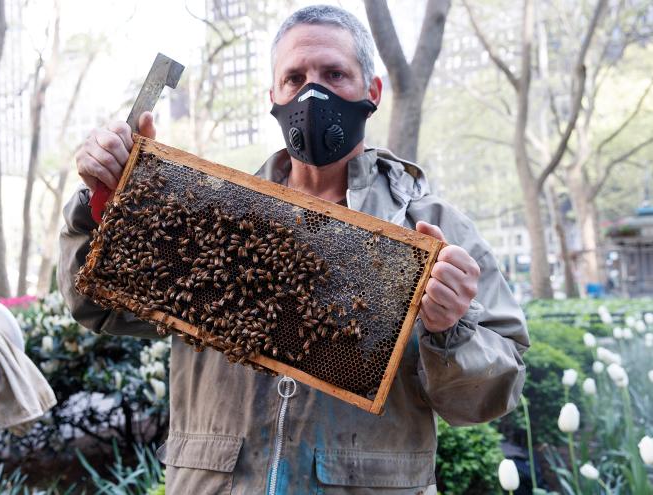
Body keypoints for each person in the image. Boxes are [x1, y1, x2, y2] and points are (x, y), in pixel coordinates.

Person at [59, 5, 530, 494]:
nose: (312, 92)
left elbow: (487, 399)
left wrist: (452, 330)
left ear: (372, 91)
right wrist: (108, 204)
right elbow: (95, 304)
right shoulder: (212, 216)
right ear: (274, 96)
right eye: (294, 78)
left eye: (334, 74)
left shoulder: (435, 231)